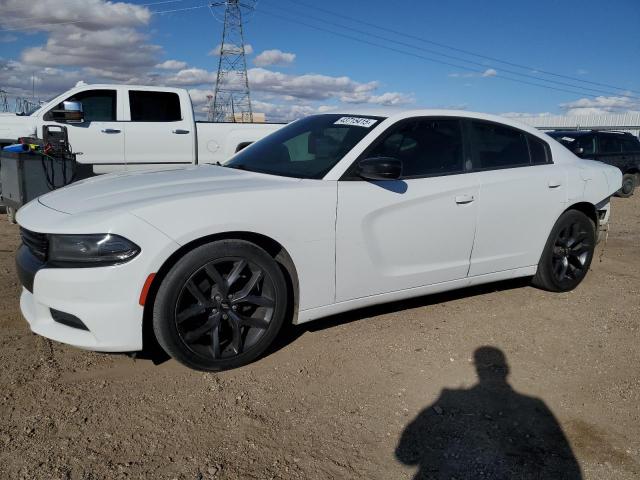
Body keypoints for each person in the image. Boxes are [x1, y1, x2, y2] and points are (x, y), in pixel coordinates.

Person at [396, 346, 582, 479]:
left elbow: (404, 455)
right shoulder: (534, 405)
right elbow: (568, 465)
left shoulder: (447, 399)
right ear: (506, 369)